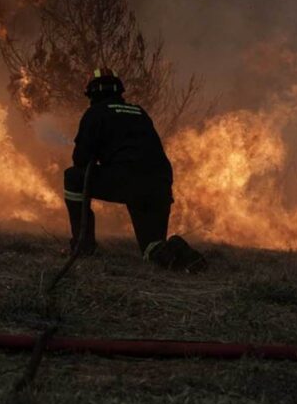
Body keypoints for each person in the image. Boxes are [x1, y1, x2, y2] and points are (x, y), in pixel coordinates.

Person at [63, 68, 206, 272]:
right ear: (119, 91)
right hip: (160, 185)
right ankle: (180, 251)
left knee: (73, 178)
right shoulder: (139, 112)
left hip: (127, 181)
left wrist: (96, 156)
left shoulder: (95, 113)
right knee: (152, 249)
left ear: (92, 94)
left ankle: (83, 246)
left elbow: (80, 161)